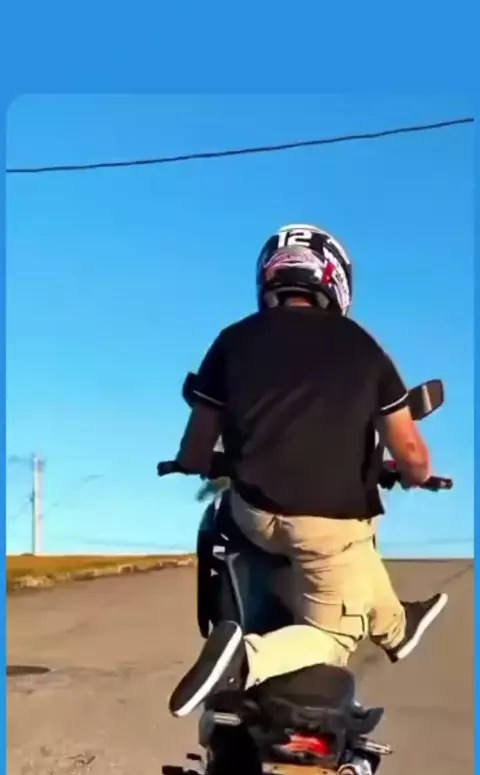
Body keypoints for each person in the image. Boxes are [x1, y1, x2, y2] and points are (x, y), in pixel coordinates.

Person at [167, 223, 448, 718]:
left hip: (253, 516)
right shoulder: (363, 346)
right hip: (329, 528)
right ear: (335, 278)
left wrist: (197, 463)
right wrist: (418, 475)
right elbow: (410, 452)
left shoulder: (231, 340)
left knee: (348, 556)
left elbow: (194, 449)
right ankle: (244, 661)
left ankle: (397, 627)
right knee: (335, 631)